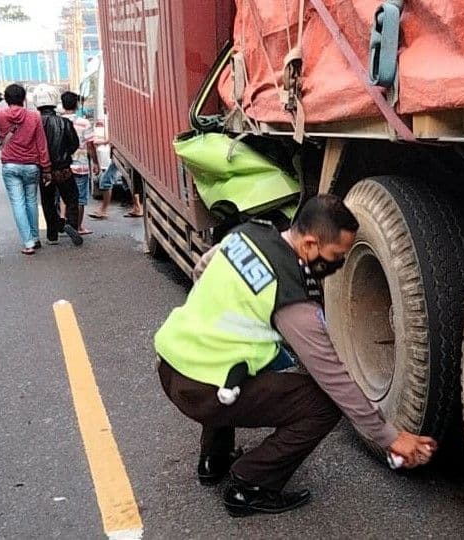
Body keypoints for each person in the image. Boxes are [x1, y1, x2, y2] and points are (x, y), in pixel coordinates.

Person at [154, 195, 437, 517]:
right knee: (324, 403)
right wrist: (389, 437)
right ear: (311, 243)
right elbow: (333, 377)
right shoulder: (291, 297)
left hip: (171, 367)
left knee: (239, 365)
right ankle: (250, 484)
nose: (339, 264)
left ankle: (214, 460)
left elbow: (202, 268)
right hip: (204, 392)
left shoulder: (247, 234)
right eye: (336, 256)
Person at [0, 84, 52, 255]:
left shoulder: (0, 116)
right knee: (31, 202)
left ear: (6, 99)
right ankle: (35, 238)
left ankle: (28, 242)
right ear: (24, 98)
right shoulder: (34, 117)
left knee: (18, 203)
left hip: (11, 166)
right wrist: (46, 167)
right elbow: (41, 144)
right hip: (31, 166)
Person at [30, 84, 83, 246]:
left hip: (43, 170)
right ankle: (71, 224)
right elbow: (74, 143)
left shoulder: (34, 123)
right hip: (63, 169)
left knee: (47, 201)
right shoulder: (64, 122)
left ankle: (52, 234)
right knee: (72, 198)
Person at [60, 91, 99, 235]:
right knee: (80, 197)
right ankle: (78, 226)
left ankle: (63, 221)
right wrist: (96, 163)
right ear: (76, 104)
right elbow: (90, 145)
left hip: (63, 165)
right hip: (81, 165)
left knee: (65, 195)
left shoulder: (58, 121)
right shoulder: (84, 123)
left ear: (62, 104)